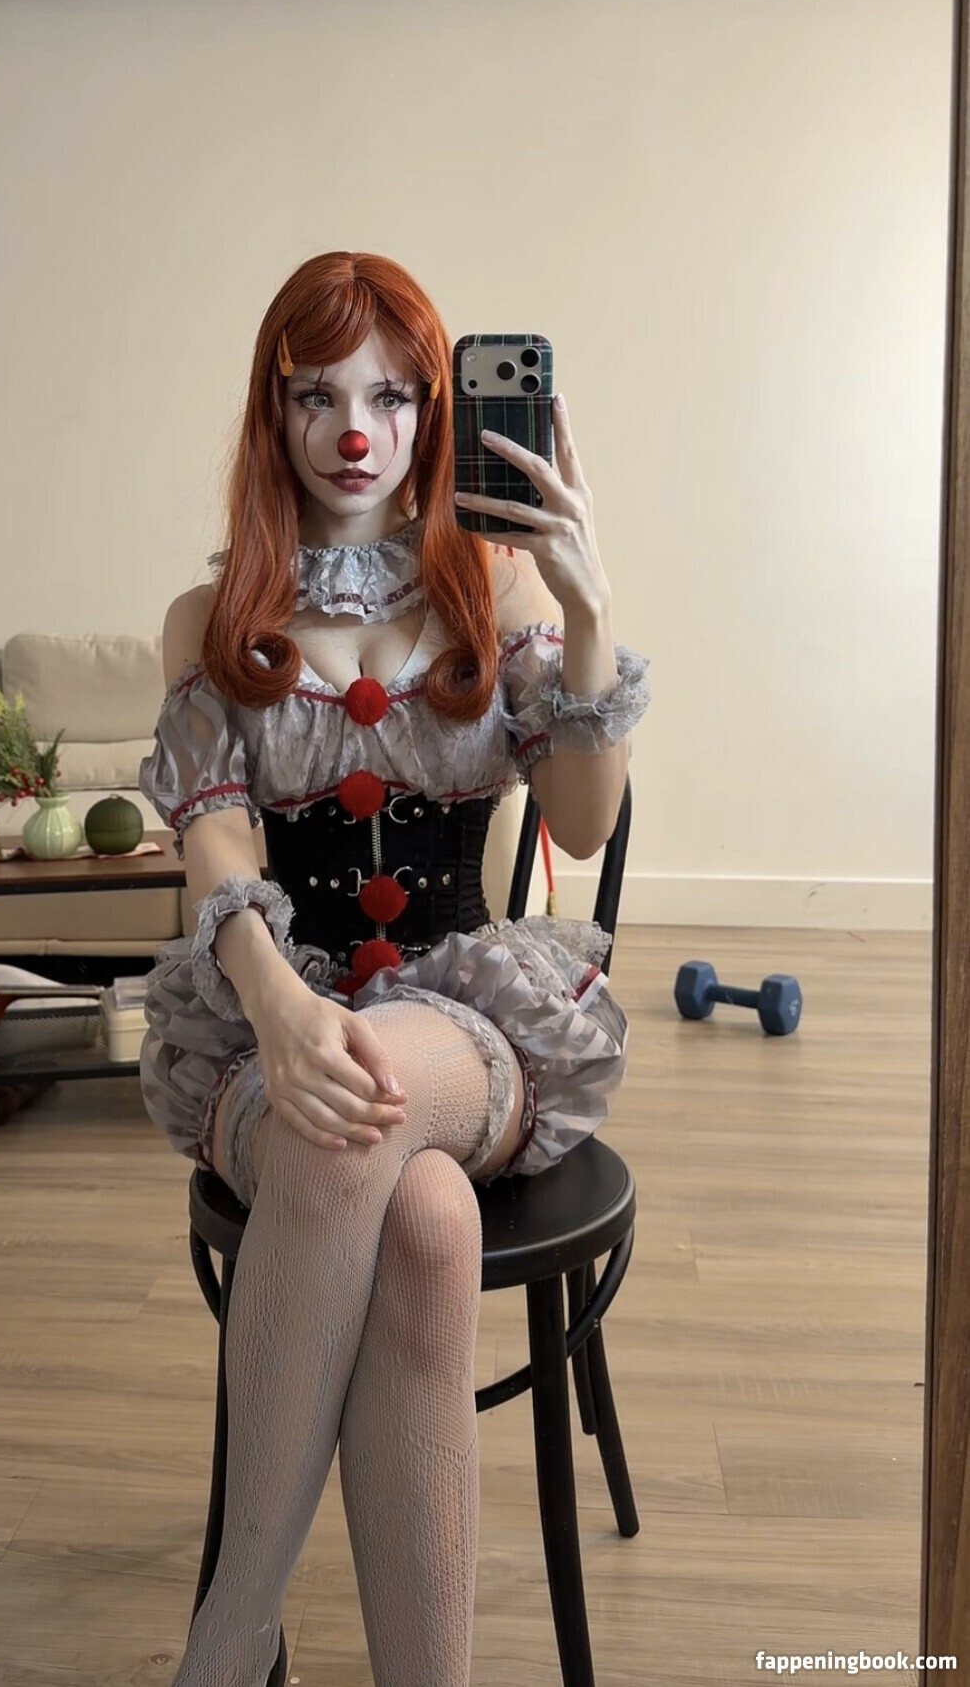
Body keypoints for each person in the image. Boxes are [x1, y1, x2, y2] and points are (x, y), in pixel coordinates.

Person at [137, 250, 651, 1687]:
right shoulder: (211, 617)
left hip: (469, 1029)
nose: (353, 432)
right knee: (422, 1219)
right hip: (266, 1026)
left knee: (357, 1108)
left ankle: (229, 1639)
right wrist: (278, 1007)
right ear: (273, 412)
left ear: (437, 410)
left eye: (390, 396)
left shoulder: (499, 587)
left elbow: (580, 822)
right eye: (315, 395)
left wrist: (588, 611)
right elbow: (212, 841)